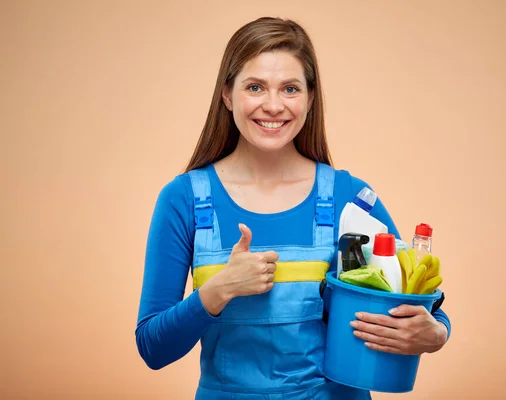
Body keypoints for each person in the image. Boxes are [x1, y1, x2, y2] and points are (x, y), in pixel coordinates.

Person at [135, 16, 451, 400]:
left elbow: (423, 305)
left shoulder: (349, 199)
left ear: (310, 98)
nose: (273, 106)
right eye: (255, 87)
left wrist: (435, 333)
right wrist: (217, 291)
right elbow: (153, 348)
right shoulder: (183, 199)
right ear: (227, 95)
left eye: (289, 89)